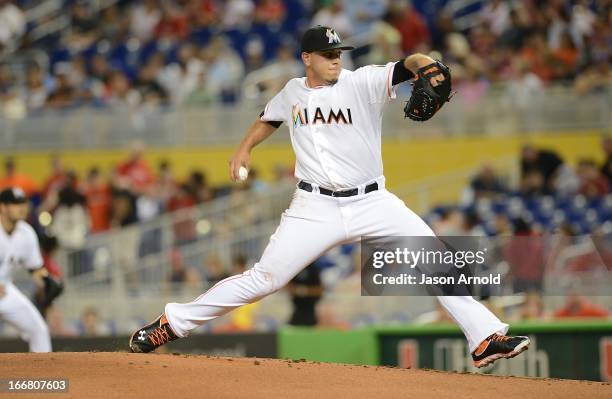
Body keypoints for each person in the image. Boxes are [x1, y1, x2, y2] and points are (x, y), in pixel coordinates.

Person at [130, 25, 530, 368]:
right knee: (265, 279)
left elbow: (409, 64)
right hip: (314, 205)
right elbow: (268, 117)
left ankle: (485, 338)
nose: (335, 59)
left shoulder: (363, 82)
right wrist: (244, 149)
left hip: (372, 201)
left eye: (338, 52)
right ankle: (172, 323)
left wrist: (426, 65)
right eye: (326, 54)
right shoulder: (291, 92)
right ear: (307, 58)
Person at [0, 187, 52, 352]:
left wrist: (47, 281)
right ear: (2, 207)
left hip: (5, 291)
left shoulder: (27, 233)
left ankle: (44, 375)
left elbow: (35, 269)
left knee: (39, 330)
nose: (21, 207)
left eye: (23, 202)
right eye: (15, 203)